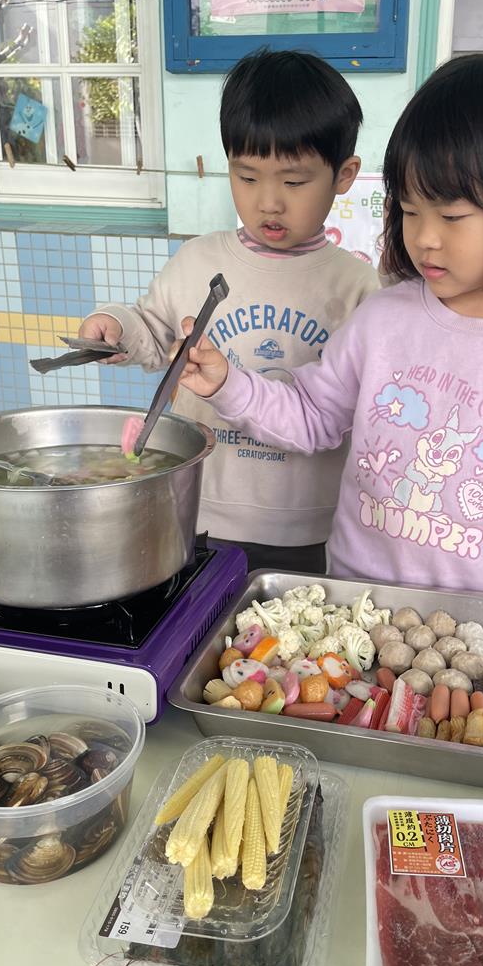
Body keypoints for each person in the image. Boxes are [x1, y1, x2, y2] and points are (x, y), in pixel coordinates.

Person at [172, 53, 483, 687]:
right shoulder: (384, 319)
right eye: (409, 210)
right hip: (356, 614)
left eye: (452, 216)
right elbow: (313, 415)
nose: (424, 237)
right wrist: (229, 385)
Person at [78, 48, 379, 573]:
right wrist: (117, 327)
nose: (269, 202)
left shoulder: (356, 287)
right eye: (247, 177)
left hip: (307, 526)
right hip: (199, 510)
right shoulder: (198, 261)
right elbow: (154, 332)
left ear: (344, 175)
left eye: (294, 181)